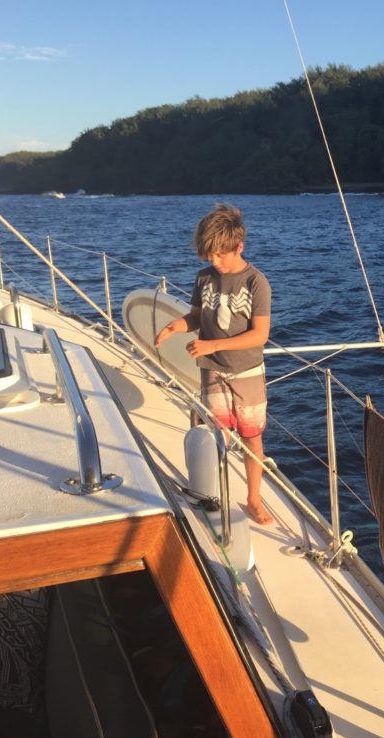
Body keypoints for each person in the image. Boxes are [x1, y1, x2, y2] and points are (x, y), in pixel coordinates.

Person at [155, 203, 273, 525]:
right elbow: (195, 316)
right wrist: (173, 327)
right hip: (212, 371)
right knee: (214, 434)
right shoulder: (204, 278)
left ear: (239, 246)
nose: (214, 261)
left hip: (247, 372)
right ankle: (211, 492)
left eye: (220, 255)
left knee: (251, 436)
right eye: (209, 255)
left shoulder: (256, 283)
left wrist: (213, 344)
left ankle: (252, 499)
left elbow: (260, 335)